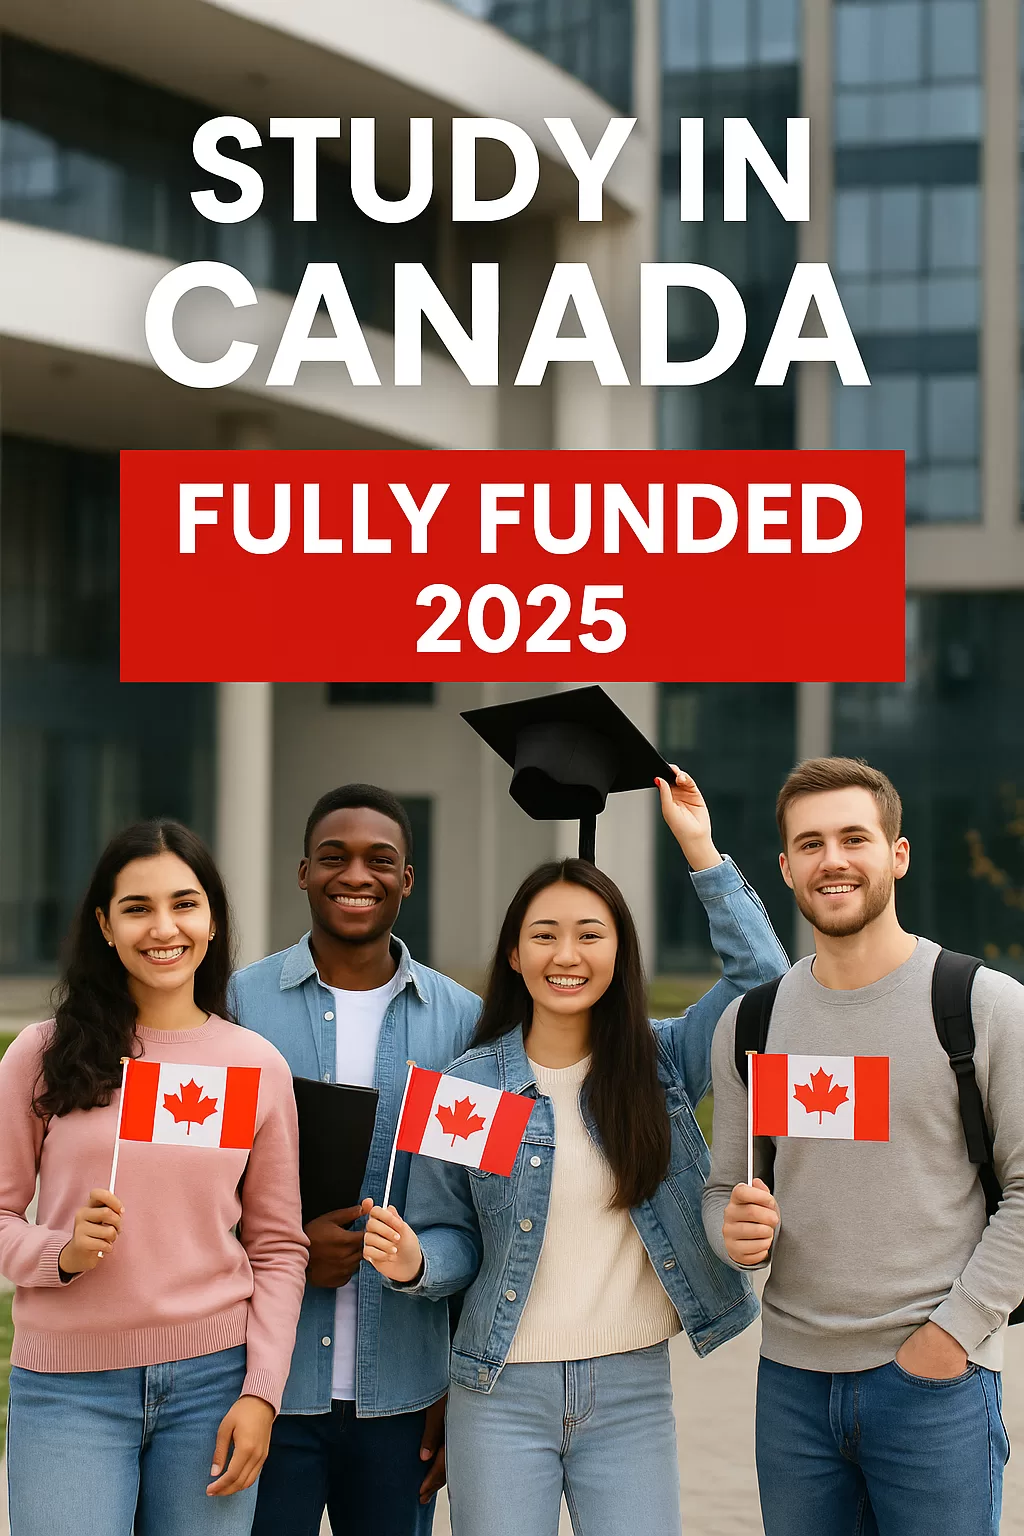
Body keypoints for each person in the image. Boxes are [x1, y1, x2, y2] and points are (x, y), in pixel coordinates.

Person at [362, 768, 789, 1536]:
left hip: (632, 1393)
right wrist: (415, 1263)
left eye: (591, 934)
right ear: (516, 956)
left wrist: (701, 849)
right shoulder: (471, 1088)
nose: (568, 953)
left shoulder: (657, 1065)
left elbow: (764, 980)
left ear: (619, 952)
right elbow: (453, 1237)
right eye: (545, 935)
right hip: (498, 1394)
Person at [703, 757, 1024, 1536]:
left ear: (897, 854)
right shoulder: (753, 1024)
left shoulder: (981, 1005)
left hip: (933, 1384)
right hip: (792, 1390)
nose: (833, 860)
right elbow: (721, 1191)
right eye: (810, 845)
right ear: (785, 868)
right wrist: (732, 1234)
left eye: (854, 837)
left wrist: (951, 1338)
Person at [0, 819, 308, 1536]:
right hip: (68, 1391)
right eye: (137, 907)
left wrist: (262, 1393)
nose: (163, 927)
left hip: (213, 1385)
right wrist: (59, 1256)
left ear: (211, 921)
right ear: (105, 925)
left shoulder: (254, 1065)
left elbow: (278, 1248)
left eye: (184, 903)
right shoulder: (41, 1055)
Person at [230, 784, 481, 1536]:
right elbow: (196, 1187)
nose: (356, 875)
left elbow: (479, 1213)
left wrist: (453, 1382)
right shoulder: (238, 1006)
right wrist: (281, 1248)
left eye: (381, 860)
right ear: (303, 871)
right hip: (266, 1387)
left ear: (408, 878)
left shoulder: (466, 1022)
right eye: (334, 857)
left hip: (406, 1394)